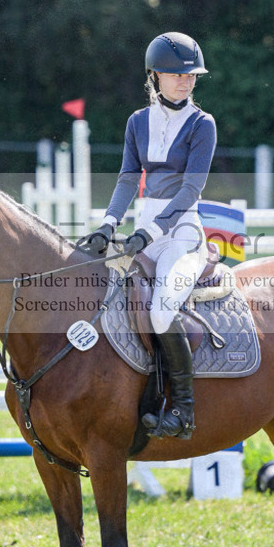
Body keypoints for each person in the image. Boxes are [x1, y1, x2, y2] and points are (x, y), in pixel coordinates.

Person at [80, 31, 217, 439]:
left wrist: (150, 231)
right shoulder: (137, 122)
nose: (186, 81)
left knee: (160, 311)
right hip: (144, 231)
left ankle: (184, 411)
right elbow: (127, 179)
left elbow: (190, 190)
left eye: (192, 76)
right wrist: (107, 224)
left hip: (183, 233)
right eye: (177, 75)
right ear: (155, 75)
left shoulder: (202, 124)